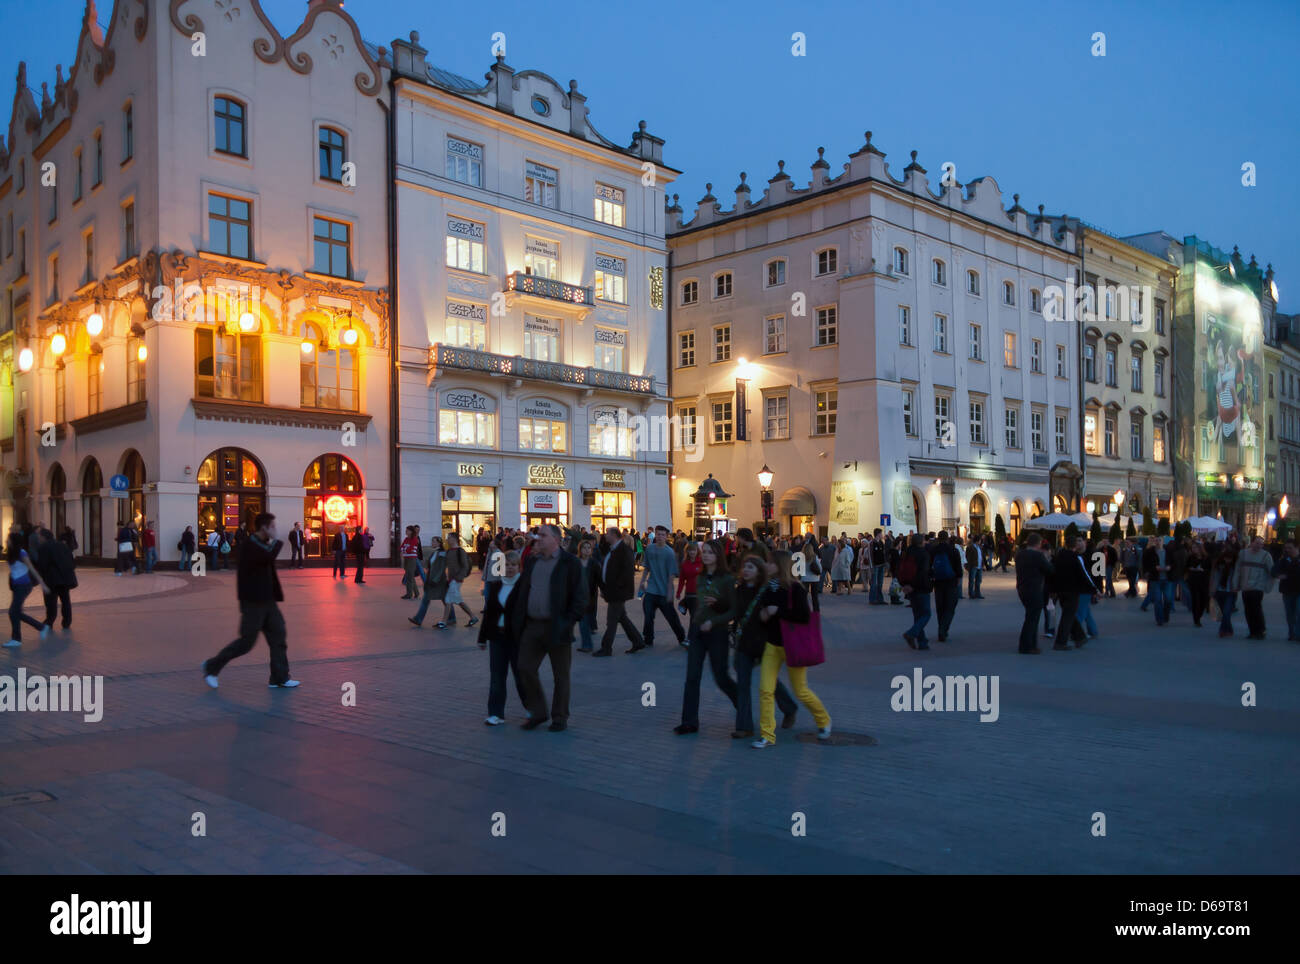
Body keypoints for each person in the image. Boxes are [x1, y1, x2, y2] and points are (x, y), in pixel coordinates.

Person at [201, 512, 299, 689]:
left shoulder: (261, 543)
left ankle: (279, 677)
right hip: (253, 601)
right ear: (264, 528)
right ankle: (212, 667)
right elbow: (267, 556)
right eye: (273, 527)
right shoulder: (251, 544)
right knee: (247, 642)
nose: (275, 530)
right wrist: (276, 540)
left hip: (268, 600)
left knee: (278, 635)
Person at [751, 551, 832, 748]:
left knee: (800, 690)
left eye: (770, 563)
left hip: (791, 646)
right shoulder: (768, 588)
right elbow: (761, 613)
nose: (767, 566)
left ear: (780, 565)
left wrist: (777, 611)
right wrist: (762, 615)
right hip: (772, 644)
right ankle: (767, 734)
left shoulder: (795, 588)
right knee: (765, 690)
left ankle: (823, 720)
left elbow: (804, 616)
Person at [511, 524, 584, 731]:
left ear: (556, 540)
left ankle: (560, 716)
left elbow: (580, 597)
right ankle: (538, 711)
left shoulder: (570, 563)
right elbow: (523, 590)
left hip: (557, 626)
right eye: (538, 535)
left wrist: (568, 622)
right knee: (524, 667)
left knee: (561, 675)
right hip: (533, 626)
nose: (538, 538)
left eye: (543, 535)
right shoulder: (533, 561)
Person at [675, 540, 741, 735]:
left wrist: (714, 620)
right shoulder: (701, 576)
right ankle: (689, 722)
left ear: (718, 556)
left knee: (721, 677)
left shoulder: (727, 579)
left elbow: (734, 610)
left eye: (711, 553)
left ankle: (743, 707)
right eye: (705, 552)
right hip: (697, 630)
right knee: (692, 677)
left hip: (717, 632)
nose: (706, 555)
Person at [732, 554, 798, 739]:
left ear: (759, 571)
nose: (746, 570)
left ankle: (789, 708)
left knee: (770, 683)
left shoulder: (767, 590)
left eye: (751, 567)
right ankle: (744, 726)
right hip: (745, 643)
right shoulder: (740, 590)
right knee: (743, 684)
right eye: (745, 567)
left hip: (765, 642)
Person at [479, 550, 528, 725]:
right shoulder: (496, 585)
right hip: (497, 637)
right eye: (506, 565)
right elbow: (489, 613)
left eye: (513, 565)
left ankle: (531, 709)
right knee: (497, 677)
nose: (509, 568)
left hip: (516, 638)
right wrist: (482, 637)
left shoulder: (524, 587)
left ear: (519, 567)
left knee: (521, 675)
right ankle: (496, 713)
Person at [594, 527, 644, 656]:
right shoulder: (614, 549)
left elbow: (627, 573)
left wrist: (613, 588)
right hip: (613, 591)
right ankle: (638, 641)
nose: (605, 536)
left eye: (608, 533)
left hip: (617, 592)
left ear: (614, 535)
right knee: (622, 618)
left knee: (611, 621)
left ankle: (606, 648)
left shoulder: (623, 550)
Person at [4, 526, 52, 648]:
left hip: (24, 586)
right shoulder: (12, 553)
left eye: (8, 539)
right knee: (16, 612)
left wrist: (43, 584)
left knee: (13, 612)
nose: (6, 541)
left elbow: (32, 569)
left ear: (13, 542)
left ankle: (37, 629)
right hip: (16, 586)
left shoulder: (22, 553)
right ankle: (18, 638)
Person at [639, 526, 686, 648]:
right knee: (648, 615)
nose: (660, 537)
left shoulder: (669, 553)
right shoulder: (649, 549)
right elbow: (647, 567)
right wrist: (642, 582)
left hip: (664, 592)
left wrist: (670, 592)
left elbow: (671, 575)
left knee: (671, 618)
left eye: (662, 535)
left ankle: (681, 637)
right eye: (658, 534)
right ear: (655, 535)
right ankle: (648, 638)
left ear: (666, 536)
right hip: (651, 590)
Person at [1053, 536, 1095, 650]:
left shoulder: (1058, 556)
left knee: (1069, 614)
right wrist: (1094, 589)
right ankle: (1061, 642)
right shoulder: (1076, 557)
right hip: (1072, 590)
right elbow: (1084, 574)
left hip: (1061, 590)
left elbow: (1052, 572)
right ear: (1075, 546)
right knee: (1068, 616)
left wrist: (1053, 589)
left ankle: (1080, 637)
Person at [1014, 533, 1053, 654]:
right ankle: (1026, 646)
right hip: (1034, 589)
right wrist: (1047, 557)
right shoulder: (1038, 555)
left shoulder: (1020, 554)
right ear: (1038, 543)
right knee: (1032, 619)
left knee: (1030, 616)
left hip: (1022, 588)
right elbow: (1050, 570)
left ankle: (1031, 644)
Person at [32, 527, 76, 631]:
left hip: (51, 579)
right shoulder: (63, 545)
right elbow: (71, 561)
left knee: (51, 602)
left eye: (39, 536)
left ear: (44, 537)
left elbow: (42, 565)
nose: (38, 538)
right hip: (65, 578)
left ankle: (49, 621)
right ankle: (67, 622)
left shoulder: (43, 547)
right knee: (65, 600)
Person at [1234, 535, 1274, 639]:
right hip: (1245, 586)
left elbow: (1271, 572)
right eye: (1257, 543)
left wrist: (1268, 586)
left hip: (1258, 587)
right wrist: (1236, 583)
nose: (1259, 546)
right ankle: (1252, 631)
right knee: (1248, 609)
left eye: (1261, 544)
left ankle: (1260, 630)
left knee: (1256, 608)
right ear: (1252, 543)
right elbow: (1237, 569)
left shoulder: (1266, 556)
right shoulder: (1243, 554)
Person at [928, 530, 963, 643]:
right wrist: (959, 578)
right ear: (947, 538)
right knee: (950, 607)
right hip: (951, 581)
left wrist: (931, 577)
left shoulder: (933, 550)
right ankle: (943, 629)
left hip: (938, 582)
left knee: (940, 607)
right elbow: (958, 567)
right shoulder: (953, 550)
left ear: (938, 538)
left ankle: (941, 629)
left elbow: (929, 566)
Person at [441, 532, 477, 628]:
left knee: (448, 599)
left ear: (454, 539)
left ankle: (443, 622)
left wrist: (459, 578)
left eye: (449, 538)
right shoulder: (449, 551)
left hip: (456, 580)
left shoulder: (460, 551)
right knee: (459, 601)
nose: (447, 540)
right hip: (451, 579)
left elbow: (465, 566)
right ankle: (473, 617)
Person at [410, 536, 447, 628]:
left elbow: (441, 567)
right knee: (444, 599)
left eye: (434, 541)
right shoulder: (435, 552)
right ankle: (451, 617)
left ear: (439, 543)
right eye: (432, 541)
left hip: (437, 581)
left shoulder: (442, 553)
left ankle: (418, 618)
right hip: (433, 579)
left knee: (431, 599)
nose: (432, 543)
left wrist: (435, 579)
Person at [1141, 537, 1173, 625]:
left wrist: (1169, 567)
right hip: (1155, 579)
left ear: (1163, 541)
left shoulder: (1168, 551)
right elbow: (1145, 564)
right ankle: (1160, 619)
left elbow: (1173, 563)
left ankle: (1166, 615)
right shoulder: (1150, 552)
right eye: (1156, 540)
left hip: (1167, 578)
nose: (1158, 542)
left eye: (1159, 540)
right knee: (1158, 600)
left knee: (1168, 599)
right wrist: (1153, 569)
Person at [576, 539, 600, 652]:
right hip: (577, 595)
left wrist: (604, 591)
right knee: (582, 619)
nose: (586, 550)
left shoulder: (593, 563)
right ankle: (586, 643)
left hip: (590, 594)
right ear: (580, 549)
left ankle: (587, 644)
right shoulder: (576, 562)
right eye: (584, 548)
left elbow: (599, 579)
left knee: (583, 620)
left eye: (588, 548)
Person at [1273, 541, 1300, 641]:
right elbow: (1274, 570)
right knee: (1290, 614)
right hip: (1287, 590)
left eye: (1290, 548)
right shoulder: (1283, 560)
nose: (1287, 550)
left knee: (1299, 611)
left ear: (1297, 547)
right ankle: (1292, 633)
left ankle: (1298, 634)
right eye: (1286, 548)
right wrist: (1278, 575)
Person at [1211, 546, 1240, 637]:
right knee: (1224, 613)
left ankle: (1222, 630)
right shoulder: (1219, 566)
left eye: (1230, 559)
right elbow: (1214, 578)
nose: (1228, 560)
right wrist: (1212, 591)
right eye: (1226, 558)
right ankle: (1229, 629)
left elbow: (1238, 578)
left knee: (1227, 612)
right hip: (1219, 592)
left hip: (1230, 592)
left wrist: (1237, 587)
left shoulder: (1235, 567)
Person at [676, 540, 703, 626]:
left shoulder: (702, 563)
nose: (692, 552)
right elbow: (682, 580)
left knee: (695, 616)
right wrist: (678, 592)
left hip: (699, 594)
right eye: (690, 550)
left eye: (694, 550)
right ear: (687, 551)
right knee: (693, 615)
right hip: (689, 594)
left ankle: (691, 636)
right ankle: (694, 636)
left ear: (697, 551)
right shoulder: (685, 564)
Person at [799, 540, 823, 612]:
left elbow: (798, 569)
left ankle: (805, 611)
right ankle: (816, 612)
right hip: (815, 579)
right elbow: (820, 568)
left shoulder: (801, 557)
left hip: (804, 579)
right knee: (814, 597)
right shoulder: (814, 557)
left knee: (804, 597)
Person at [400, 526, 421, 599]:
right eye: (406, 530)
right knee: (410, 576)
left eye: (407, 530)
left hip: (412, 559)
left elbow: (410, 549)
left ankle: (409, 594)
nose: (406, 531)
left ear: (411, 531)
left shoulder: (414, 539)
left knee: (409, 577)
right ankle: (416, 592)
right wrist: (404, 549)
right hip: (406, 558)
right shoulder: (406, 539)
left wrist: (404, 550)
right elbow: (401, 547)